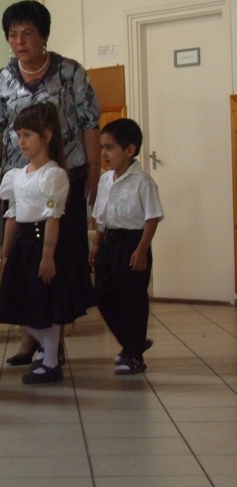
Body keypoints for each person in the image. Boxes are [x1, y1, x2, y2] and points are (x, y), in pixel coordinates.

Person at [0, 0, 100, 366]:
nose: (19, 41)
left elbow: (90, 123)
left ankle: (52, 342)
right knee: (21, 263)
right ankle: (30, 338)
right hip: (20, 182)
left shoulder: (70, 73)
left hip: (64, 178)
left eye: (27, 33)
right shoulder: (0, 80)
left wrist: (94, 170)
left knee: (58, 260)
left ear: (43, 35)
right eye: (13, 35)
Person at [0, 103, 88, 384]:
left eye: (27, 135)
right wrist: (5, 253)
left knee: (47, 304)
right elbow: (12, 217)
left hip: (43, 244)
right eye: (19, 135)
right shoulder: (17, 176)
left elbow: (52, 218)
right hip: (23, 245)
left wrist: (48, 256)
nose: (21, 142)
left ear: (46, 136)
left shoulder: (53, 175)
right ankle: (48, 353)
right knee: (18, 303)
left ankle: (50, 362)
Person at [89, 119, 163, 375]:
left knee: (132, 300)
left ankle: (134, 356)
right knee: (103, 296)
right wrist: (97, 244)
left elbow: (152, 218)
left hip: (133, 243)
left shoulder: (143, 182)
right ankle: (133, 343)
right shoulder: (105, 180)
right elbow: (101, 216)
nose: (104, 153)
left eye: (110, 147)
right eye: (102, 147)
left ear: (130, 150)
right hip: (109, 242)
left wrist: (141, 250)